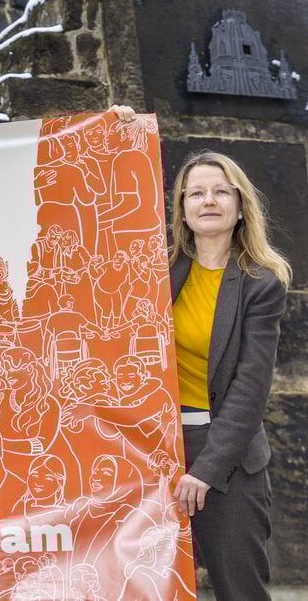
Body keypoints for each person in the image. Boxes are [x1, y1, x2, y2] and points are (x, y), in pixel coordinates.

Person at [113, 105, 290, 601]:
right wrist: (116, 133)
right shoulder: (154, 269)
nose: (208, 200)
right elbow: (111, 213)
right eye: (196, 193)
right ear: (181, 207)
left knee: (240, 589)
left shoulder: (261, 285)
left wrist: (206, 471)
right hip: (150, 453)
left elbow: (250, 390)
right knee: (146, 588)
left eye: (220, 191)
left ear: (239, 205)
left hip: (225, 460)